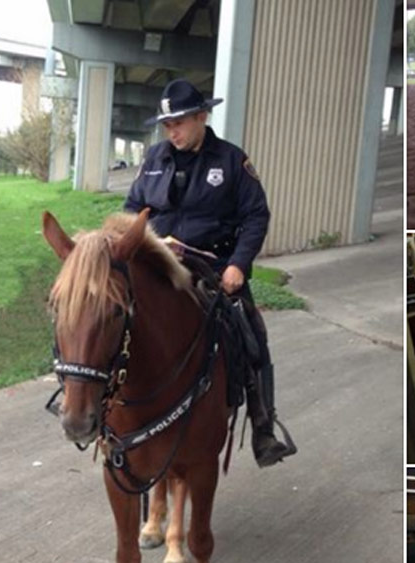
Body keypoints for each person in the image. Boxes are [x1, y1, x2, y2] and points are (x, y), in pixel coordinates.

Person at [124, 78, 296, 468]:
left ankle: (263, 426)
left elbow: (256, 216)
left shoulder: (232, 161)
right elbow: (131, 210)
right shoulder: (153, 160)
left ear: (202, 116)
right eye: (167, 125)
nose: (173, 132)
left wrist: (238, 264)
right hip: (157, 267)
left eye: (180, 123)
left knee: (252, 334)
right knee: (110, 319)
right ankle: (102, 413)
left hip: (214, 268)